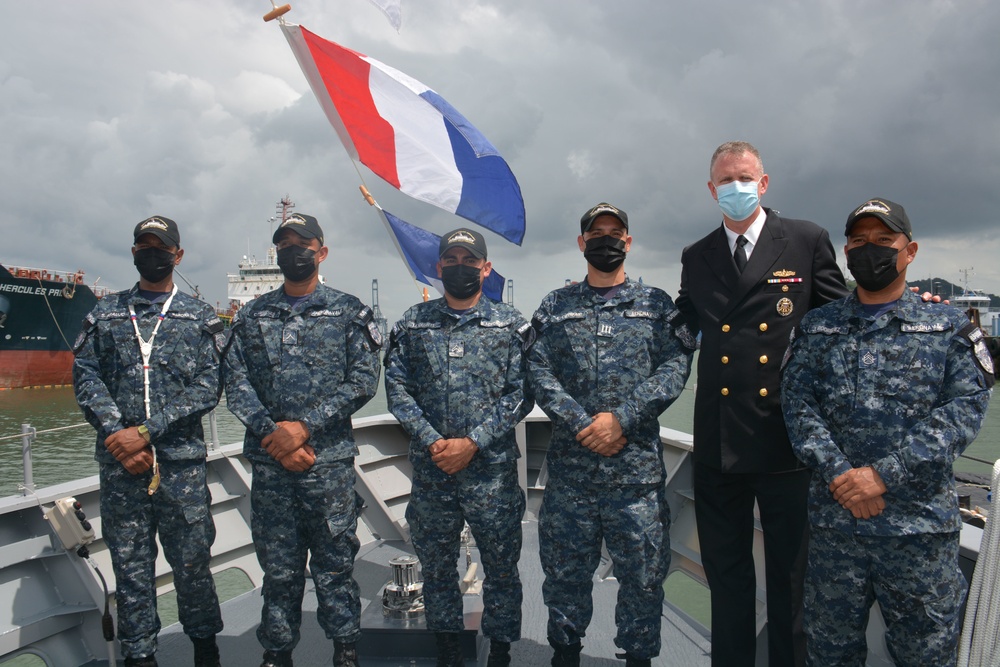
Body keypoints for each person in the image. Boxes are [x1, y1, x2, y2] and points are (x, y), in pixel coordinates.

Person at [781, 197, 994, 666]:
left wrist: (883, 475)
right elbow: (797, 406)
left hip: (917, 532)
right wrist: (843, 476)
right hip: (837, 528)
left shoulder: (949, 327)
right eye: (859, 241)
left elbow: (964, 409)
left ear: (910, 250)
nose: (869, 250)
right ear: (845, 250)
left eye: (883, 241)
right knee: (830, 652)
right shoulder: (818, 328)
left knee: (925, 655)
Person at [675, 141, 850, 667]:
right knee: (726, 582)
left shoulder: (804, 240)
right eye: (725, 181)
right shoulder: (697, 255)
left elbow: (843, 321)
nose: (736, 188)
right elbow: (683, 323)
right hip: (719, 444)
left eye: (744, 178)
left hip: (785, 443)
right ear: (711, 190)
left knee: (790, 585)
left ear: (764, 182)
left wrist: (909, 304)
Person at [526, 203, 696, 667]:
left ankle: (638, 658)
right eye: (596, 233)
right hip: (572, 474)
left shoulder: (657, 306)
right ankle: (566, 653)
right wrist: (584, 422)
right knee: (564, 576)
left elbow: (676, 366)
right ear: (582, 243)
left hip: (635, 475)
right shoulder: (555, 307)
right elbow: (536, 370)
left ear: (628, 241)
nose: (606, 240)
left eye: (614, 232)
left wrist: (621, 418)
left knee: (641, 577)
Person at [223, 212, 381, 667]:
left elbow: (363, 381)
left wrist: (304, 427)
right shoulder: (253, 314)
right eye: (286, 245)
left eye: (303, 244)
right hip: (272, 465)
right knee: (278, 570)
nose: (294, 251)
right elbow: (235, 381)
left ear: (321, 252)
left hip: (327, 466)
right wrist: (275, 434)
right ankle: (277, 653)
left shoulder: (350, 311)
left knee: (335, 568)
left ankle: (345, 650)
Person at [73, 216, 225, 667]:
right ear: (134, 251)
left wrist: (145, 432)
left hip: (179, 467)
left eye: (161, 246)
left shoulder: (200, 318)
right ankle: (140, 656)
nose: (152, 252)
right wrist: (118, 435)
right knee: (131, 570)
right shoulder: (105, 313)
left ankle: (205, 650)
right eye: (144, 245)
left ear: (178, 255)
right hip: (122, 468)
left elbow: (208, 384)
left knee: (193, 565)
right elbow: (85, 375)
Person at [384, 228, 532, 667]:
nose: (460, 267)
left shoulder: (511, 324)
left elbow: (522, 391)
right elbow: (397, 388)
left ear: (486, 269)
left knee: (502, 569)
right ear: (438, 267)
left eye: (470, 260)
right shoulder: (413, 322)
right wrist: (434, 442)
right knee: (437, 570)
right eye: (452, 260)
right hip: (433, 475)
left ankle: (501, 651)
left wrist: (472, 442)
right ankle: (448, 650)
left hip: (492, 474)